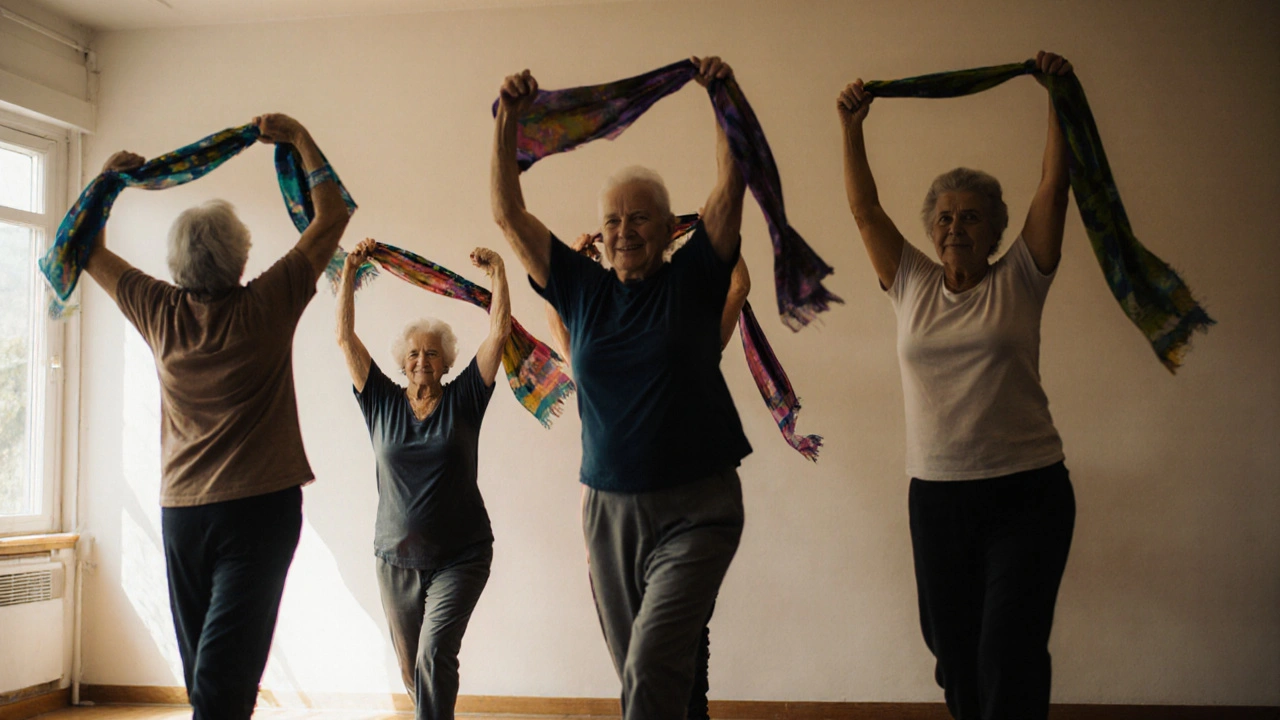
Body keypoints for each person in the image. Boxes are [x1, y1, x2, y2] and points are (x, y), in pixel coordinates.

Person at [492, 56, 752, 719]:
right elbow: (507, 212)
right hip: (610, 513)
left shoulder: (693, 279)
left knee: (651, 670)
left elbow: (730, 186)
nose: (623, 230)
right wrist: (509, 120)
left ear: (669, 230)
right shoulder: (581, 290)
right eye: (613, 220)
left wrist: (723, 98)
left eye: (640, 219)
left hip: (699, 507)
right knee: (664, 673)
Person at [82, 114, 350, 718]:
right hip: (259, 512)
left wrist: (106, 183)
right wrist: (302, 137)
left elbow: (87, 250)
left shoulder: (158, 307)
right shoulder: (270, 300)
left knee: (211, 675)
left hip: (184, 515)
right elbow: (332, 215)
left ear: (177, 263)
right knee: (221, 676)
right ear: (240, 256)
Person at [838, 51, 1077, 719]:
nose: (955, 226)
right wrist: (852, 126)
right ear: (930, 230)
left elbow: (1053, 189)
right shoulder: (911, 283)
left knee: (1009, 649)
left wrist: (1058, 96)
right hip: (936, 498)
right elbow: (864, 210)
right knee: (954, 653)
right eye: (944, 216)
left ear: (998, 229)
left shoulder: (1022, 276)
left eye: (972, 216)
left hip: (1027, 491)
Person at [543, 231, 750, 720]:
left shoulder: (692, 346)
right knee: (640, 665)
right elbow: (558, 314)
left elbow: (737, 288)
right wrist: (571, 266)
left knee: (679, 658)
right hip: (612, 532)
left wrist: (719, 239)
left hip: (682, 520)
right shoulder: (591, 355)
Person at [336, 238, 510, 719]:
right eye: (413, 353)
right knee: (414, 669)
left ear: (447, 361)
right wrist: (350, 272)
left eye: (432, 353)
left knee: (435, 654)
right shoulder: (381, 402)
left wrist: (497, 273)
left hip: (461, 555)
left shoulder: (465, 399)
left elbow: (497, 338)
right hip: (395, 559)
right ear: (401, 360)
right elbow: (345, 340)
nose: (421, 361)